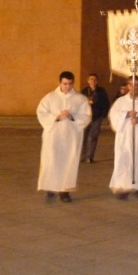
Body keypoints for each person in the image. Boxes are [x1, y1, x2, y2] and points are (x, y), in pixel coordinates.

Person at [37, 71, 91, 202]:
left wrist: (72, 117)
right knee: (51, 161)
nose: (67, 86)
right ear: (60, 83)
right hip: (53, 136)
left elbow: (86, 116)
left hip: (71, 137)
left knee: (68, 162)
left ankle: (65, 191)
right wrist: (56, 117)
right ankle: (50, 189)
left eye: (70, 84)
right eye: (65, 83)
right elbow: (41, 112)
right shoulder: (50, 97)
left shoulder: (80, 99)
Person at [109, 76, 138, 199]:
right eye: (132, 84)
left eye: (137, 84)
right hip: (124, 137)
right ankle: (123, 187)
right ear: (128, 86)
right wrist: (126, 114)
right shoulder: (120, 102)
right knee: (124, 160)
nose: (135, 87)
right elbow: (113, 116)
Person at [80, 73, 110, 163]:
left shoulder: (101, 91)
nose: (93, 81)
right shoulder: (84, 91)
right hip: (86, 117)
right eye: (91, 79)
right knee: (84, 137)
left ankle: (90, 156)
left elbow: (106, 103)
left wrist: (103, 114)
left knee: (93, 137)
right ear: (88, 81)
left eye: (94, 80)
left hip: (97, 117)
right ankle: (82, 156)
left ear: (97, 81)